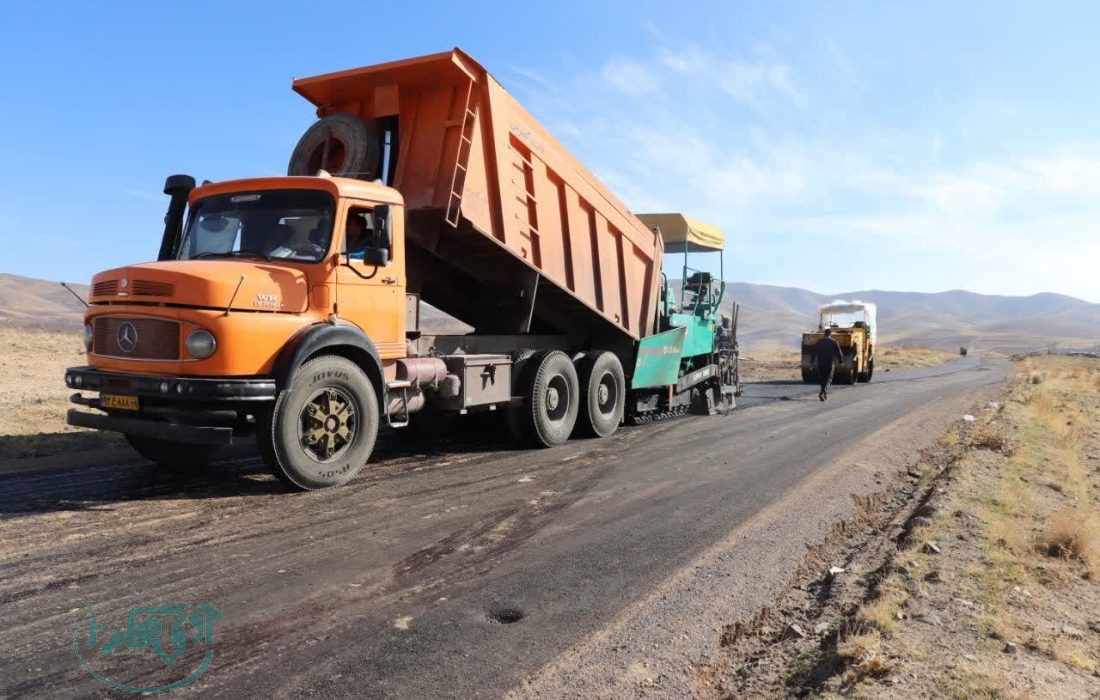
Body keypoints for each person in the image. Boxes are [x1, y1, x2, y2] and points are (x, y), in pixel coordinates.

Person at [812, 327, 844, 401]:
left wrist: (812, 361)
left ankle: (823, 392)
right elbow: (839, 353)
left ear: (824, 334)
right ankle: (823, 391)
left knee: (822, 377)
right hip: (830, 363)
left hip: (820, 362)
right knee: (829, 377)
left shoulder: (819, 342)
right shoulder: (834, 342)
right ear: (830, 334)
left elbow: (813, 352)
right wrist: (841, 362)